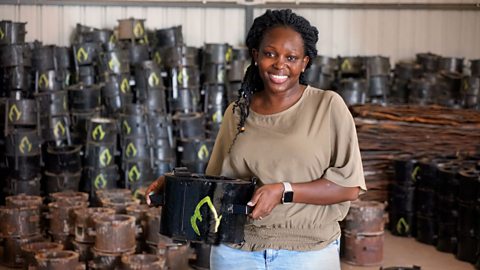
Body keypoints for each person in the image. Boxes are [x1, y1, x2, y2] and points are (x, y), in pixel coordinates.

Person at [146, 9, 366, 270]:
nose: (279, 65)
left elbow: (349, 187)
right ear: (255, 55)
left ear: (305, 62)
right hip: (236, 251)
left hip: (307, 253)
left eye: (291, 57)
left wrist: (283, 190)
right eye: (270, 53)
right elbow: (220, 183)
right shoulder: (238, 112)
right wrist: (174, 186)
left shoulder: (327, 106)